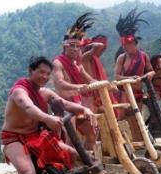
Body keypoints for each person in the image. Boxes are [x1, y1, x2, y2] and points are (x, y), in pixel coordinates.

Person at [0, 56, 94, 174]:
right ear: (30, 71)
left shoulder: (44, 92)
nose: (44, 76)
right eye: (40, 72)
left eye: (47, 74)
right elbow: (28, 108)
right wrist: (47, 118)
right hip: (14, 139)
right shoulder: (19, 91)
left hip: (36, 136)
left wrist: (84, 109)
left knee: (71, 154)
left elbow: (64, 103)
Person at [52, 13, 109, 150]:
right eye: (72, 46)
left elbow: (89, 80)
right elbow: (60, 83)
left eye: (78, 46)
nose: (75, 49)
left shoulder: (78, 65)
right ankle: (70, 165)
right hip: (64, 106)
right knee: (70, 140)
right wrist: (79, 87)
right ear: (65, 46)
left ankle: (88, 162)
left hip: (78, 105)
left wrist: (106, 85)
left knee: (92, 133)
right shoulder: (58, 63)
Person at [114, 8, 155, 117]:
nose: (126, 47)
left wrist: (148, 75)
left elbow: (151, 71)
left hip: (138, 91)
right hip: (125, 92)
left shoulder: (143, 56)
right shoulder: (121, 58)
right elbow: (117, 77)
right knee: (122, 118)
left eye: (128, 45)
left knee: (138, 119)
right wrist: (130, 79)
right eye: (124, 45)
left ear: (135, 44)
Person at [81, 35, 119, 115]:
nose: (103, 50)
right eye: (102, 49)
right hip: (94, 96)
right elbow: (99, 46)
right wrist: (90, 44)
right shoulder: (85, 58)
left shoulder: (95, 59)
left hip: (101, 92)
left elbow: (100, 46)